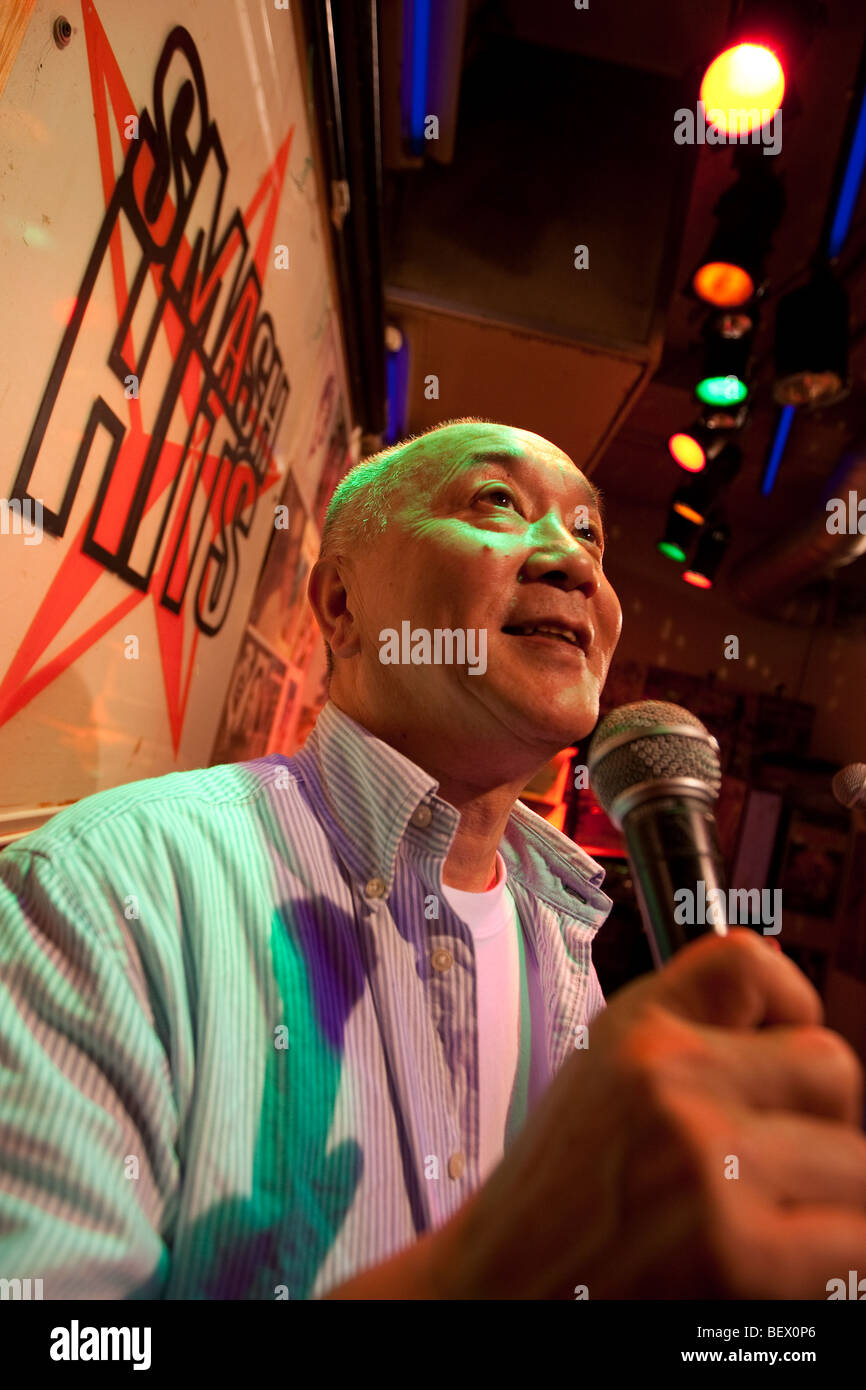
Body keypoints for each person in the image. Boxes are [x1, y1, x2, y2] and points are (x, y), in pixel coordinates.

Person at [0, 418, 864, 1300]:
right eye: (497, 502)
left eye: (590, 534)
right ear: (340, 605)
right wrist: (483, 1270)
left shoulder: (566, 946)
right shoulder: (102, 892)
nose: (574, 563)